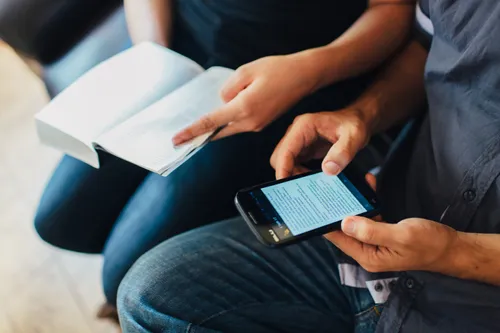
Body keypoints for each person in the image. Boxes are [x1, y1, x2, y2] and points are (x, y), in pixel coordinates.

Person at [117, 0, 500, 332]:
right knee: (149, 294)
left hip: (472, 303)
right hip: (392, 206)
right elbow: (429, 44)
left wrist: (458, 253)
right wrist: (362, 115)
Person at [33, 0, 415, 316]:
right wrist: (154, 59)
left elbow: (395, 11)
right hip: (177, 49)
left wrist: (307, 72)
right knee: (58, 223)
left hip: (280, 81)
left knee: (118, 277)